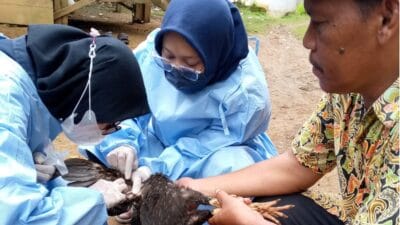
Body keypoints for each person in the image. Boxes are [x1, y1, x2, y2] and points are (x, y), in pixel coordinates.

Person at [177, 0, 399, 224]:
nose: (307, 41)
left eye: (320, 23)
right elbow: (299, 165)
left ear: (386, 18)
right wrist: (195, 188)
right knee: (263, 201)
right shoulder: (349, 90)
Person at [84, 0, 277, 222]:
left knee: (232, 168)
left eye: (190, 62)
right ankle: (134, 196)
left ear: (215, 55)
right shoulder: (153, 52)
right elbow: (125, 104)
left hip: (209, 154)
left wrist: (155, 169)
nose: (176, 68)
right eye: (168, 57)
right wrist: (124, 142)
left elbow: (203, 146)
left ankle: (176, 207)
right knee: (102, 138)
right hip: (158, 138)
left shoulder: (245, 94)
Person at [0, 24, 149, 224]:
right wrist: (93, 200)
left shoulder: (39, 89)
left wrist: (50, 180)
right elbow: (17, 218)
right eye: (110, 123)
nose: (108, 132)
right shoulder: (7, 104)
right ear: (88, 101)